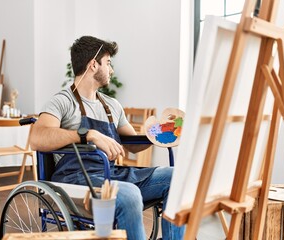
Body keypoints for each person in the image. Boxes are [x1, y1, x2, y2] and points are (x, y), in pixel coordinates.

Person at [30, 35, 185, 240]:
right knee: (128, 195)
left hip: (111, 174)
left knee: (177, 177)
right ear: (93, 65)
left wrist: (161, 132)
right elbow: (37, 138)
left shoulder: (112, 105)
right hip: (77, 180)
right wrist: (88, 135)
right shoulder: (62, 102)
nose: (111, 70)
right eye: (108, 63)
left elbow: (134, 143)